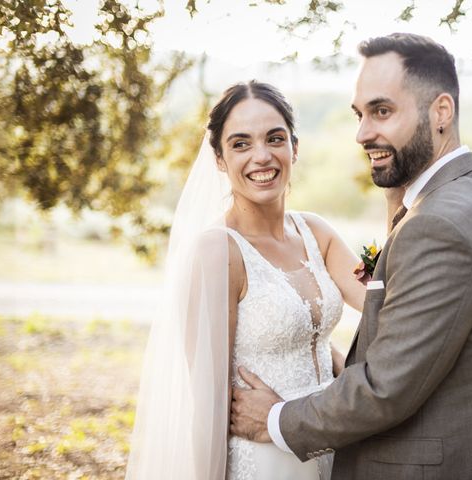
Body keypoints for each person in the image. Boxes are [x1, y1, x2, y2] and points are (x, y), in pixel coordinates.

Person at [230, 33, 472, 479]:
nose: (362, 134)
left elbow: (386, 387)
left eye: (382, 111)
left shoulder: (436, 226)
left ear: (441, 112)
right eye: (360, 114)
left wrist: (276, 418)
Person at [124, 81, 366, 479]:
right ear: (219, 159)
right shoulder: (217, 252)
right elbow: (209, 404)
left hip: (329, 448)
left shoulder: (316, 233)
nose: (262, 156)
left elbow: (385, 302)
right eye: (240, 144)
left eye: (275, 138)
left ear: (294, 148)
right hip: (264, 461)